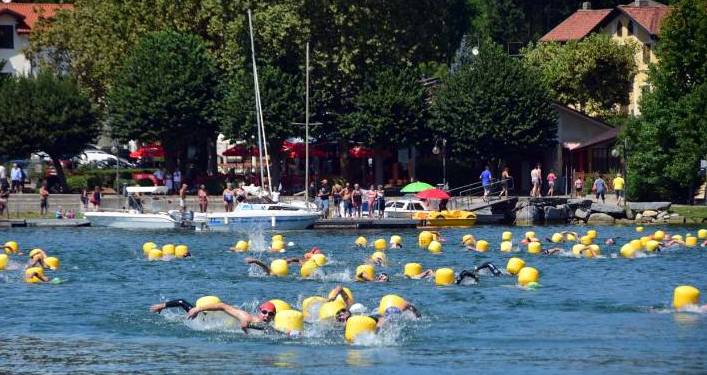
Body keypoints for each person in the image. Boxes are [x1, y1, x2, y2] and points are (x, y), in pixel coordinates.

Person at [150, 299, 277, 335]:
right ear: (259, 311)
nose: (266, 316)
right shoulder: (246, 317)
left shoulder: (268, 327)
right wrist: (198, 309)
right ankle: (162, 305)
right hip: (202, 320)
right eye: (265, 312)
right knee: (183, 303)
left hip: (216, 322)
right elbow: (222, 305)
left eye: (270, 314)